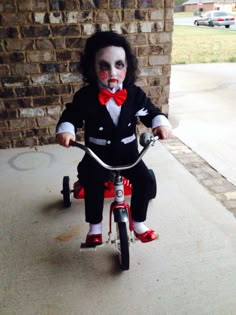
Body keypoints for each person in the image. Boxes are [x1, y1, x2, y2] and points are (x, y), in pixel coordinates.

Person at [56, 31, 172, 246]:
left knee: (144, 180)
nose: (112, 72)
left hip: (128, 155)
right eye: (104, 66)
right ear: (92, 68)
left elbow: (151, 112)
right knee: (93, 183)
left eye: (119, 64)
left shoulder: (134, 94)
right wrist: (67, 130)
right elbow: (72, 116)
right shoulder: (85, 97)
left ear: (127, 67)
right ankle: (95, 228)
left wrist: (160, 125)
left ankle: (138, 223)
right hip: (97, 155)